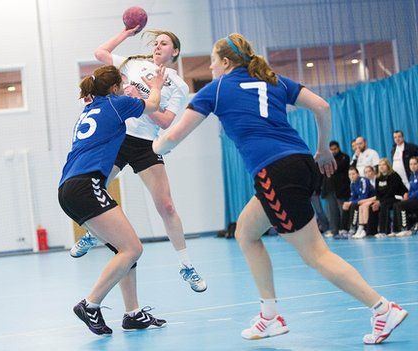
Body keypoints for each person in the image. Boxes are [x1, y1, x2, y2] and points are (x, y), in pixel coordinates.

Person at [152, 33, 408, 344]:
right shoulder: (273, 80)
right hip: (300, 162)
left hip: (275, 173)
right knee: (245, 233)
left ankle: (382, 308)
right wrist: (323, 149)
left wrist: (154, 145)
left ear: (226, 63)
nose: (211, 67)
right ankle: (270, 315)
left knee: (315, 254)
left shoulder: (216, 89)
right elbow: (323, 107)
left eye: (213, 62)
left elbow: (173, 137)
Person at [70, 26, 207, 293]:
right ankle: (91, 234)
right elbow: (101, 53)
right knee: (94, 188)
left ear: (174, 51)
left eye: (164, 43)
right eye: (156, 43)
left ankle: (186, 265)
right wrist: (126, 32)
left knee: (166, 205)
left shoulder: (177, 84)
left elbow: (166, 120)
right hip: (120, 137)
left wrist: (142, 98)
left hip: (146, 144)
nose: (158, 46)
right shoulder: (133, 64)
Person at [59, 64, 166, 335]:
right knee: (133, 249)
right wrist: (155, 85)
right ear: (115, 88)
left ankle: (133, 314)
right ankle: (90, 304)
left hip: (68, 187)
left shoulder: (89, 109)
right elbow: (153, 106)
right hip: (87, 185)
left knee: (123, 249)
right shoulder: (117, 104)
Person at [368, 158, 408, 238]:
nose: (381, 167)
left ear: (388, 166)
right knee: (372, 206)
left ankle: (384, 231)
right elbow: (377, 193)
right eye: (380, 165)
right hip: (384, 199)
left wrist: (380, 202)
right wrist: (377, 201)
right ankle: (371, 232)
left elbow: (391, 191)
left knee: (384, 205)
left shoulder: (393, 175)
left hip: (396, 197)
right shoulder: (378, 178)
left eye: (383, 165)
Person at [321, 141, 351, 237]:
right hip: (330, 189)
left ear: (338, 148)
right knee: (333, 211)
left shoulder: (344, 157)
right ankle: (334, 230)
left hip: (341, 189)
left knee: (343, 210)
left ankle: (345, 229)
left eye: (335, 149)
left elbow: (337, 168)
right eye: (331, 149)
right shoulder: (326, 159)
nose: (333, 151)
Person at [339, 167, 375, 239]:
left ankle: (353, 228)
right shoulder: (352, 183)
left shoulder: (364, 180)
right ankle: (343, 229)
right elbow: (353, 197)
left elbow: (363, 196)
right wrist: (349, 202)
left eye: (353, 174)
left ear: (358, 174)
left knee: (354, 205)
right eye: (350, 174)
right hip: (361, 201)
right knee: (345, 205)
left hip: (370, 199)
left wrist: (351, 202)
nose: (351, 176)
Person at [392, 156, 418, 236]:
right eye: (411, 164)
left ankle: (405, 228)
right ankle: (397, 230)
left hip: (416, 199)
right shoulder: (411, 176)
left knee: (401, 205)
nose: (412, 166)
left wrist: (410, 197)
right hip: (413, 199)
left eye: (415, 164)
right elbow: (411, 190)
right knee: (396, 204)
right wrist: (407, 195)